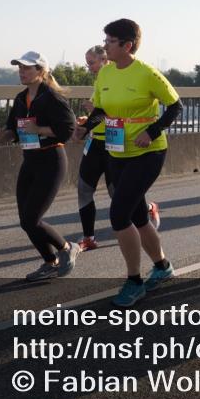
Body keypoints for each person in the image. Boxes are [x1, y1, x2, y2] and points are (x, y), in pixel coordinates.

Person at [76, 20, 183, 306]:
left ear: (127, 45)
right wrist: (86, 127)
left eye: (111, 41)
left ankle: (134, 281)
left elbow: (175, 106)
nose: (105, 45)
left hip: (148, 152)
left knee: (119, 214)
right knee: (137, 216)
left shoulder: (147, 73)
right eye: (105, 39)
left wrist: (152, 131)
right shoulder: (106, 73)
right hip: (117, 151)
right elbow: (100, 110)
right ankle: (162, 267)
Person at [0, 51, 80, 282]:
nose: (22, 72)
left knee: (32, 218)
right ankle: (50, 262)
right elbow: (14, 128)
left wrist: (40, 130)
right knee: (25, 221)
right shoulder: (21, 98)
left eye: (27, 68)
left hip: (52, 161)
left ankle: (67, 247)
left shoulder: (52, 98)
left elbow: (68, 130)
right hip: (30, 160)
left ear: (41, 71)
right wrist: (4, 135)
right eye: (20, 68)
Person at [75, 45, 112, 251]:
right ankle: (88, 237)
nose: (88, 67)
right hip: (95, 141)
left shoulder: (116, 78)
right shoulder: (98, 81)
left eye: (91, 62)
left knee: (117, 194)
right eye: (87, 63)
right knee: (83, 188)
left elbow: (117, 111)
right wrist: (87, 120)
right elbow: (98, 114)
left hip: (114, 142)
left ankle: (148, 209)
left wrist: (97, 112)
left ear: (104, 59)